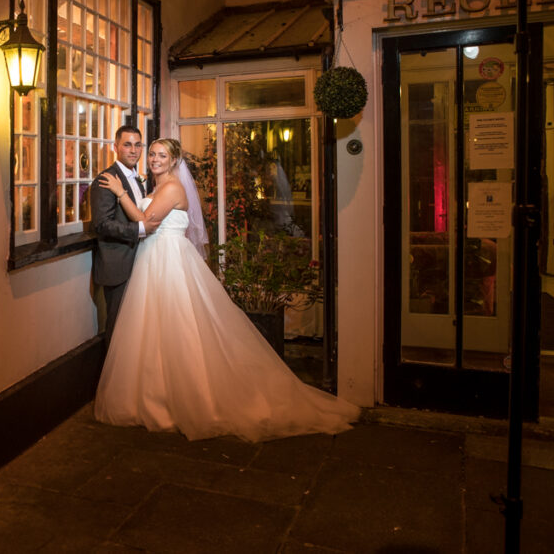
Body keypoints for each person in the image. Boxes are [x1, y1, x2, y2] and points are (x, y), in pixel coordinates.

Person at [93, 137, 359, 442]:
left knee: (178, 325)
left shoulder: (172, 188)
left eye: (161, 155)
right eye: (152, 153)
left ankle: (184, 396)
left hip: (168, 259)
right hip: (151, 258)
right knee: (153, 328)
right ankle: (155, 393)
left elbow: (145, 221)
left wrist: (120, 193)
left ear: (174, 160)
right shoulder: (154, 187)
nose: (154, 159)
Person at [90, 126, 160, 343]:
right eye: (127, 145)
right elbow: (102, 225)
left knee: (134, 327)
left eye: (138, 145)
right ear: (116, 147)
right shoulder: (106, 180)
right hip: (118, 264)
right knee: (117, 327)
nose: (133, 150)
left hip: (139, 262)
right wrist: (140, 229)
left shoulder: (138, 178)